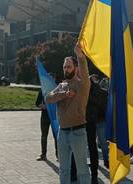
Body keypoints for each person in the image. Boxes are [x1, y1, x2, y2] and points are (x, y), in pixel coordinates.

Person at [46, 44, 91, 184]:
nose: (66, 69)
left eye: (69, 66)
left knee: (82, 170)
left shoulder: (82, 85)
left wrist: (80, 56)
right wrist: (64, 94)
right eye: (64, 67)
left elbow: (84, 71)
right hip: (62, 133)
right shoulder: (62, 85)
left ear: (75, 68)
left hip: (78, 132)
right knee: (64, 170)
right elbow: (48, 98)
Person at [86, 74, 109, 184]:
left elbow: (103, 106)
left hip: (100, 121)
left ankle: (106, 160)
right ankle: (93, 162)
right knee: (91, 145)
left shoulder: (103, 92)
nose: (93, 81)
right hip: (90, 122)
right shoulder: (87, 91)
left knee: (103, 142)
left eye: (94, 79)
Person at [35, 89, 57, 161]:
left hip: (54, 116)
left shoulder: (55, 87)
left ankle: (58, 155)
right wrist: (42, 105)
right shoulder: (42, 90)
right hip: (45, 116)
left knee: (56, 136)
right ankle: (43, 154)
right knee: (44, 135)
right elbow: (37, 103)